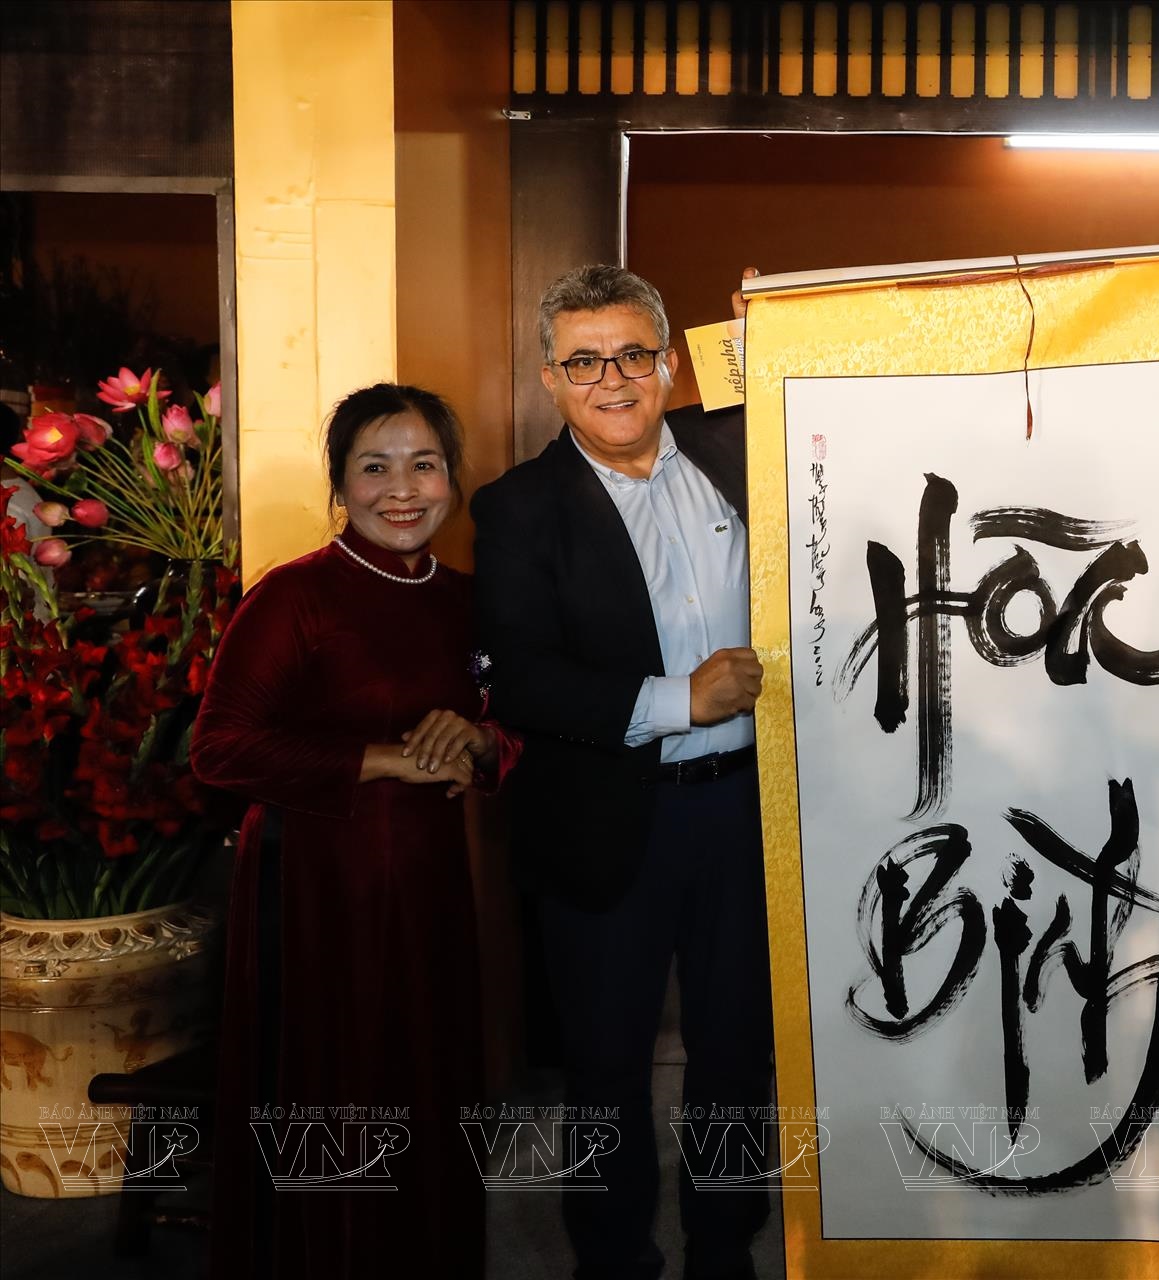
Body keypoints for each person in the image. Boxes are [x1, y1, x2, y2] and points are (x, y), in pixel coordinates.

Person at [471, 264, 771, 1280]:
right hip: (604, 819)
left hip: (745, 812)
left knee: (737, 1057)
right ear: (549, 378)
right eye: (584, 362)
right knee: (605, 1068)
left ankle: (725, 1253)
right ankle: (612, 1262)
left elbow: (820, 402)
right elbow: (520, 678)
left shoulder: (740, 450)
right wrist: (680, 699)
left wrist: (776, 325)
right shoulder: (518, 508)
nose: (613, 380)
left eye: (634, 354)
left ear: (670, 363)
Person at [193, 384, 511, 1279]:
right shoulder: (294, 596)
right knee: (340, 1085)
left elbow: (515, 724)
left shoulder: (470, 602)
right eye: (375, 467)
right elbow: (219, 750)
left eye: (424, 465)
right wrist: (384, 760)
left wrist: (480, 741)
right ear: (339, 484)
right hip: (315, 888)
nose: (401, 489)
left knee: (427, 1082)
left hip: (432, 883)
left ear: (452, 479)